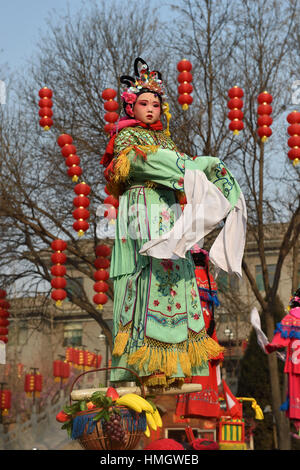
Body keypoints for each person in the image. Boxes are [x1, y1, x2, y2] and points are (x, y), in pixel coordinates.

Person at [99, 57, 247, 389]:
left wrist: (204, 167)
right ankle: (139, 363)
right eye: (143, 103)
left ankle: (170, 364)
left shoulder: (166, 144)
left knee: (172, 278)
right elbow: (148, 166)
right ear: (131, 108)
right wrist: (190, 167)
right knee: (142, 279)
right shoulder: (126, 140)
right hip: (141, 212)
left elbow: (180, 169)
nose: (150, 108)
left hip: (166, 211)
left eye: (155, 103)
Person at [176, 245, 223, 418]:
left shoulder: (187, 278)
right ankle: (205, 406)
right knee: (205, 370)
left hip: (191, 327)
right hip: (208, 330)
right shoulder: (211, 280)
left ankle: (189, 406)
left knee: (189, 370)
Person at [265, 288, 300, 436]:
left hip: (295, 366)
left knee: (296, 403)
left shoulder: (291, 318)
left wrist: (270, 346)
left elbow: (279, 341)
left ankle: (298, 427)